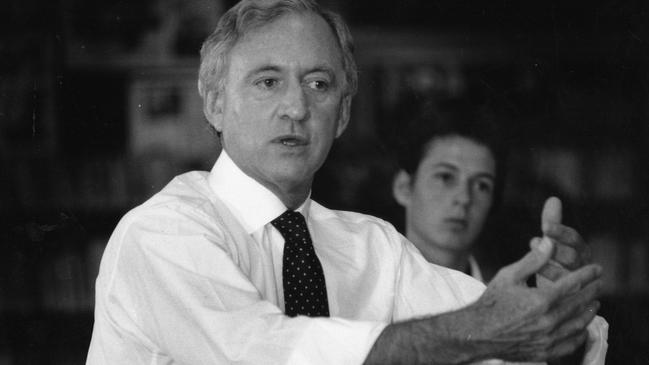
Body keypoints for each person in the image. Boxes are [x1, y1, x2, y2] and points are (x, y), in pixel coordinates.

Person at [86, 0, 604, 364]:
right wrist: (481, 331)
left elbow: (498, 339)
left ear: (342, 114)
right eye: (268, 82)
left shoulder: (373, 247)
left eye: (318, 84)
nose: (296, 107)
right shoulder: (162, 233)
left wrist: (557, 317)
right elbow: (265, 355)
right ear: (215, 103)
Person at [390, 97, 506, 282]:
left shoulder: (504, 302)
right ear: (404, 187)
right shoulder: (365, 294)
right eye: (446, 177)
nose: (464, 198)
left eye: (482, 185)